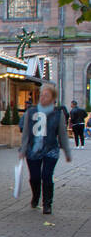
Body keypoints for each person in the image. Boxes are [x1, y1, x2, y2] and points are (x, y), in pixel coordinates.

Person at [20, 83, 73, 215]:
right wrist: (23, 149)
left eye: (47, 95)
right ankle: (35, 197)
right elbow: (26, 132)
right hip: (33, 150)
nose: (43, 98)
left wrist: (67, 151)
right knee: (35, 177)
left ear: (52, 98)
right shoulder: (31, 112)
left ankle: (47, 204)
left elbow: (62, 134)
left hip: (51, 149)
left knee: (47, 175)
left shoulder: (58, 114)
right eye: (42, 95)